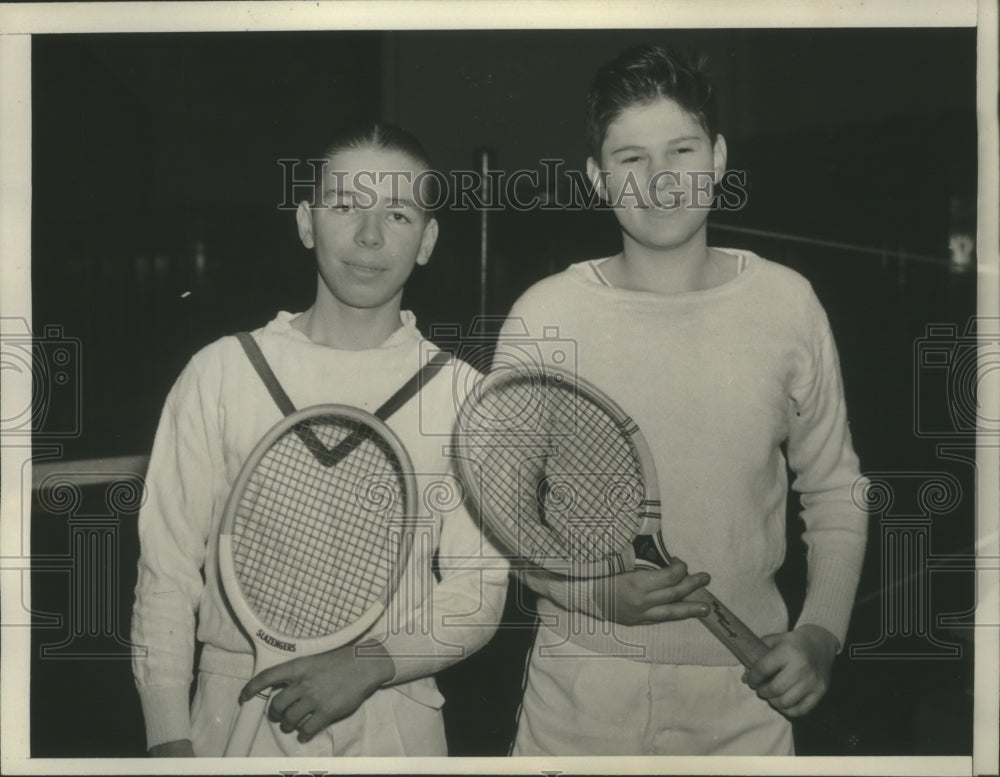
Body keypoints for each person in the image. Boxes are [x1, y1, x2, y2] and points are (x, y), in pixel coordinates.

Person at [496, 44, 868, 756]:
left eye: (682, 150)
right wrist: (592, 594)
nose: (660, 181)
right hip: (579, 693)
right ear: (597, 177)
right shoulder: (544, 314)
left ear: (719, 158)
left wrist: (820, 633)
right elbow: (504, 512)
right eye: (631, 158)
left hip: (746, 691)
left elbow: (835, 487)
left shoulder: (787, 303)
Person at [131, 122, 508, 757]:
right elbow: (166, 571)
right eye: (345, 207)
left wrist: (369, 663)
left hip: (395, 711)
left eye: (397, 213)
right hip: (233, 711)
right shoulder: (221, 372)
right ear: (307, 223)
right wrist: (167, 735)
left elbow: (477, 590)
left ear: (428, 240)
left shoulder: (462, 394)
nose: (369, 236)